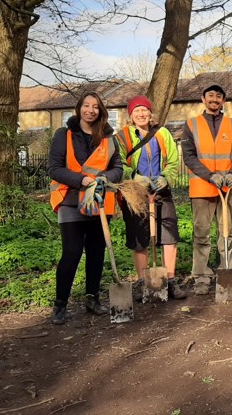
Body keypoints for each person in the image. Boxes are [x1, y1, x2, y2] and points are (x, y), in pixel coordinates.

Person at [48, 91, 123, 325]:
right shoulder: (64, 135)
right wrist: (81, 180)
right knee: (71, 253)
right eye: (87, 106)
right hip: (70, 200)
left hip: (99, 203)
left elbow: (118, 167)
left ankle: (92, 298)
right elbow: (54, 168)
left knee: (96, 252)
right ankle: (60, 304)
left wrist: (103, 179)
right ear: (79, 108)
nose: (91, 110)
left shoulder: (109, 137)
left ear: (101, 111)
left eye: (96, 107)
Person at [116, 95, 187, 301]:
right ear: (131, 115)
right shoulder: (122, 137)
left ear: (150, 113)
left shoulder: (163, 133)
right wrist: (134, 177)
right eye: (136, 110)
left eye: (144, 110)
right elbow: (118, 163)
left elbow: (173, 160)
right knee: (139, 237)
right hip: (135, 193)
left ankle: (170, 280)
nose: (141, 114)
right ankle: (142, 282)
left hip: (160, 190)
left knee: (169, 235)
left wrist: (165, 177)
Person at [181, 84, 232, 295]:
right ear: (203, 99)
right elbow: (189, 156)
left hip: (227, 187)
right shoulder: (192, 125)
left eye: (219, 96)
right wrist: (210, 175)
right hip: (202, 187)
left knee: (226, 232)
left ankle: (225, 269)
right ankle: (201, 275)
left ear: (223, 101)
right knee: (202, 233)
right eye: (211, 96)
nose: (214, 99)